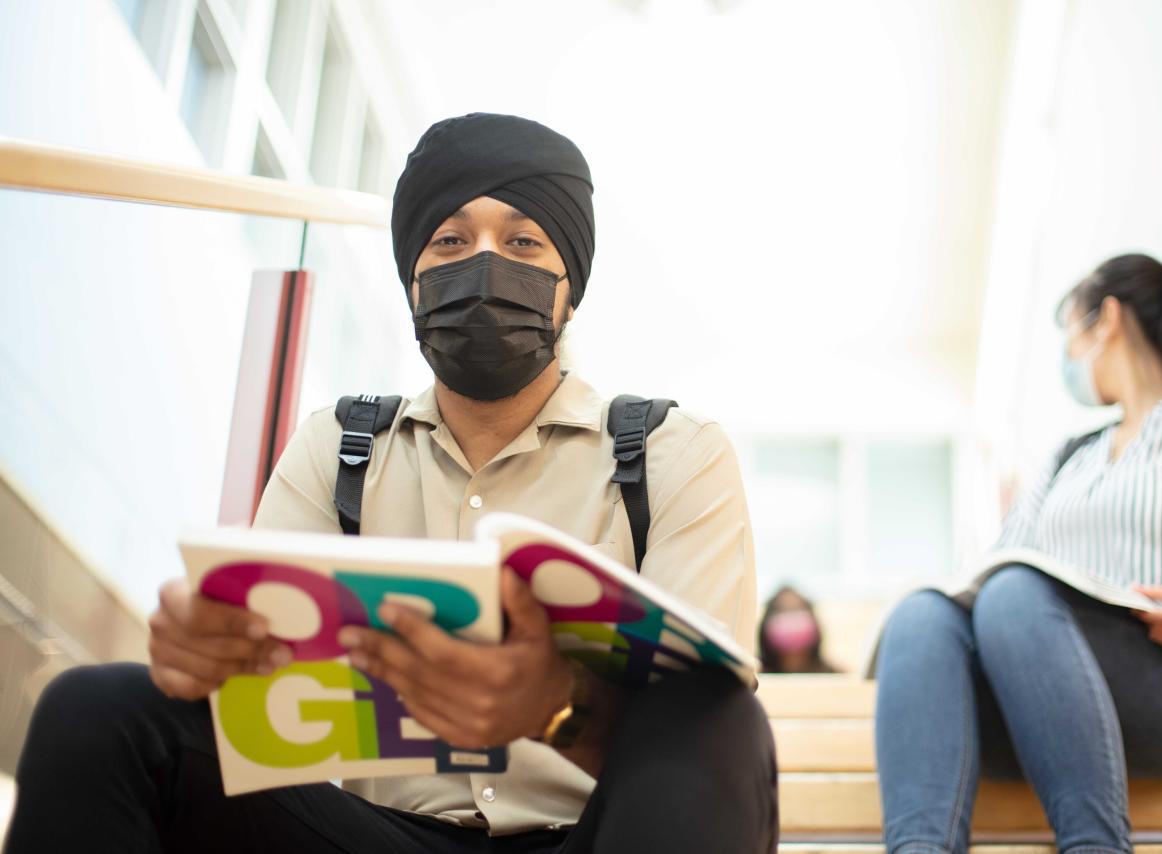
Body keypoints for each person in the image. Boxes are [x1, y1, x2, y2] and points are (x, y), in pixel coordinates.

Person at [5, 113, 777, 854]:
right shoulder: (339, 450)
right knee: (99, 707)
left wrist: (555, 707)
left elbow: (700, 741)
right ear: (411, 280)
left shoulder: (673, 454)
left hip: (599, 836)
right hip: (371, 836)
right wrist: (203, 659)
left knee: (723, 715)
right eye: (449, 239)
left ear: (569, 288)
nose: (483, 262)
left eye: (522, 240)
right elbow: (260, 713)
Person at [874, 253, 1162, 854]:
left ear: (1105, 319)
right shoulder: (1069, 457)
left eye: (1068, 332)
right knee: (920, 615)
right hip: (1047, 704)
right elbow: (998, 570)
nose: (1068, 356)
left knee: (1013, 595)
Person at [758, 585, 839, 674]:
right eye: (782, 611)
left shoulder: (838, 677)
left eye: (797, 609)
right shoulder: (753, 676)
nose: (791, 620)